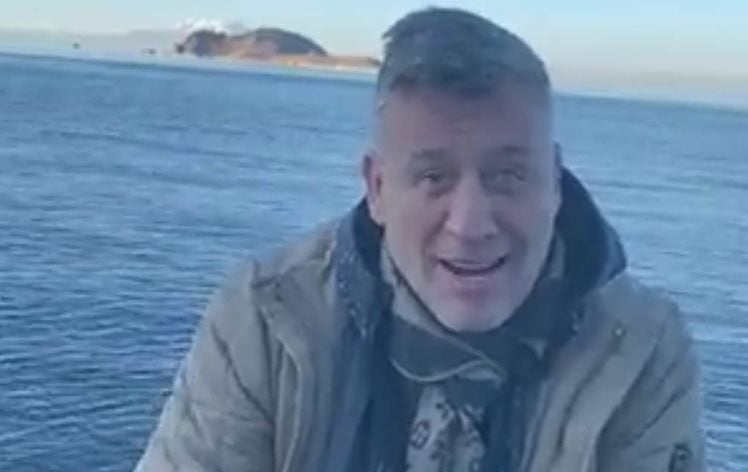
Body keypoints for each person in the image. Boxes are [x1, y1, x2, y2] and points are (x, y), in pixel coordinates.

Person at [135, 7, 706, 472]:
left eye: (507, 175)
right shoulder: (267, 320)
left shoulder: (640, 348)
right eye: (433, 177)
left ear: (554, 183)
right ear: (377, 189)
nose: (470, 224)